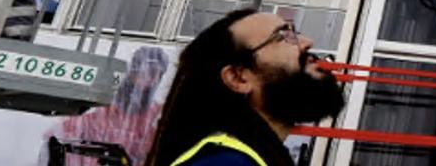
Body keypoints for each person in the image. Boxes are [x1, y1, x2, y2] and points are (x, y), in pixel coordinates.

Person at [142, 10, 345, 166]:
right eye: (282, 36)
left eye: (294, 33)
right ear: (238, 78)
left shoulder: (249, 156)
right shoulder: (225, 163)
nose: (307, 42)